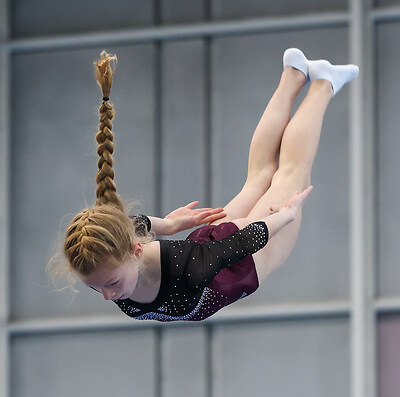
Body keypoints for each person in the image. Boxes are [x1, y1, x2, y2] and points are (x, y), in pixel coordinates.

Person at [58, 49, 359, 322]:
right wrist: (169, 225)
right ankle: (292, 74)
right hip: (207, 248)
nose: (109, 296)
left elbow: (246, 240)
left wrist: (285, 215)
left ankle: (323, 83)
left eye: (111, 284)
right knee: (258, 176)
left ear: (136, 249)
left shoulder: (187, 269)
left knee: (290, 174)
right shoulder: (112, 255)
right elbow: (132, 223)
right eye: (96, 288)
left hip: (241, 259)